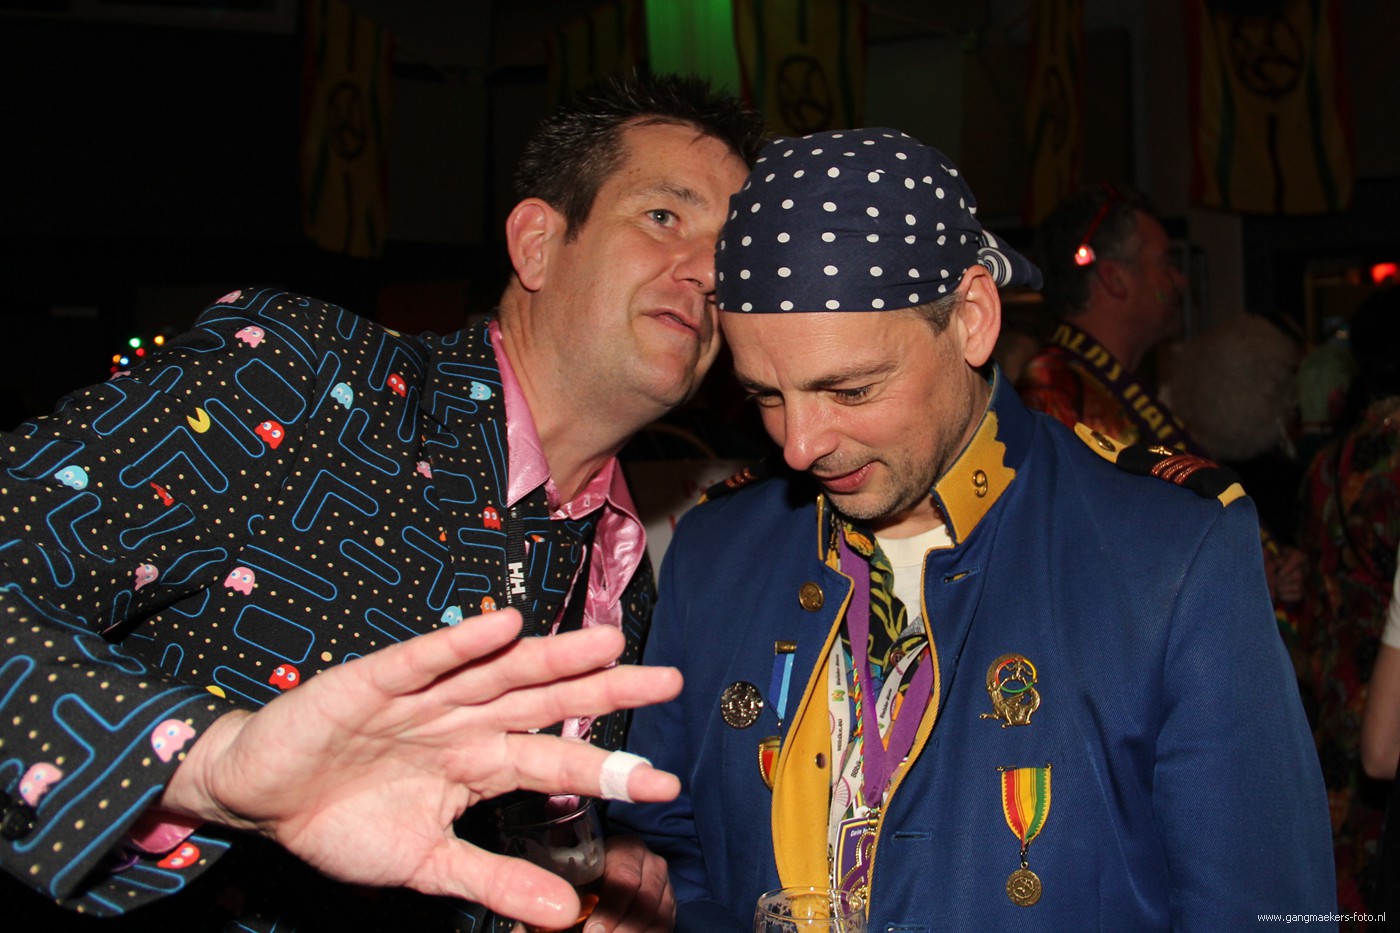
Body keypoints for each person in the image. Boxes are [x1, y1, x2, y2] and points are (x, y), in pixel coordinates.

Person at [0, 74, 763, 931]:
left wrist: (599, 859)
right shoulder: (303, 378)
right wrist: (206, 766)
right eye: (664, 216)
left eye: (732, 253)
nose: (709, 271)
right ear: (538, 244)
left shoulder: (627, 569)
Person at [612, 128, 1335, 930]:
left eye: (850, 390)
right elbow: (666, 854)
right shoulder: (713, 553)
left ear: (971, 318)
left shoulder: (1170, 554)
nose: (799, 445)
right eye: (766, 396)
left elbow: (1263, 908)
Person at [1298, 285, 1400, 916]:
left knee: (1338, 879)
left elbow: (1315, 587)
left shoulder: (1328, 462)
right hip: (1389, 691)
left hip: (1335, 688)